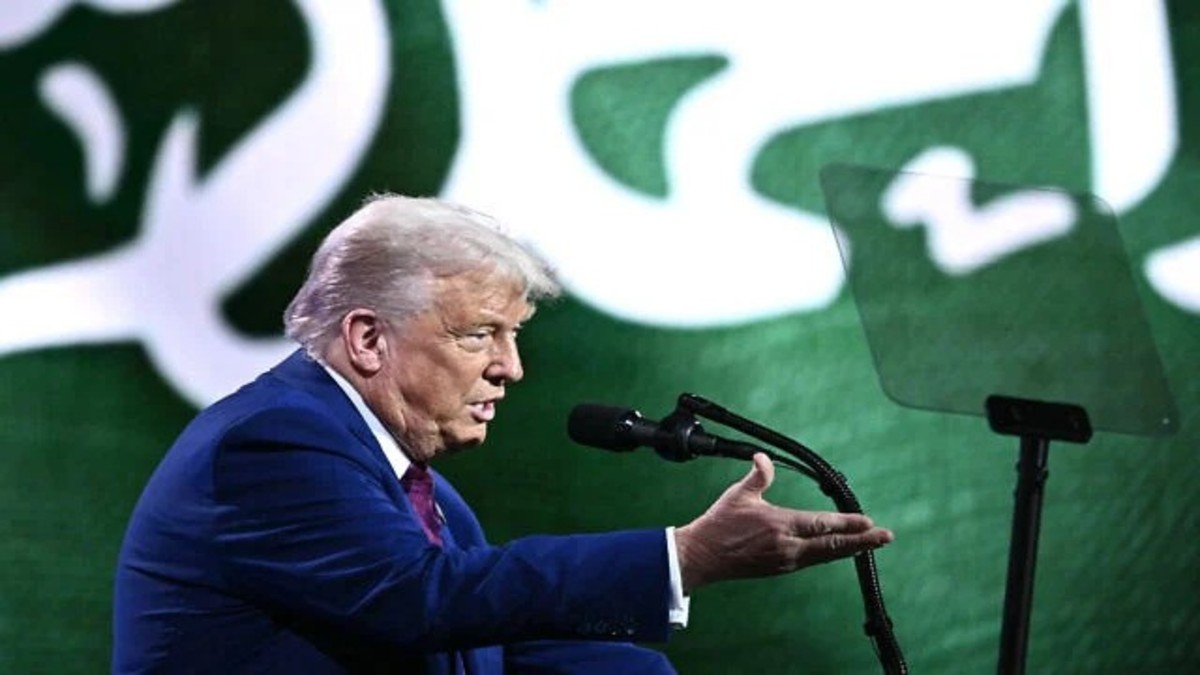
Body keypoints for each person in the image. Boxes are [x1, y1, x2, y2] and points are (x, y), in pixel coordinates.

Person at [112, 194, 894, 673]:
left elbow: (474, 644)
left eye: (513, 335)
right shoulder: (273, 444)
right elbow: (422, 600)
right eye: (479, 334)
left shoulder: (427, 490)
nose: (510, 369)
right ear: (367, 339)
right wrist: (679, 557)